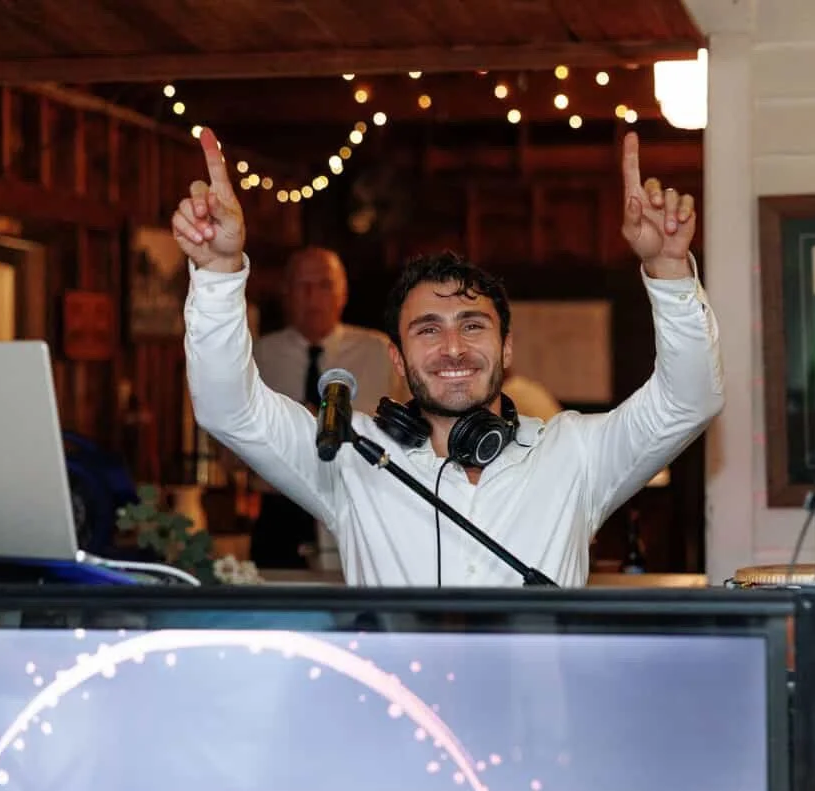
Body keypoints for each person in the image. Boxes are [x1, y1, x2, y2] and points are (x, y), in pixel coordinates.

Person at [174, 127, 722, 587]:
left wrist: (670, 271)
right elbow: (230, 409)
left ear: (507, 347)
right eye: (428, 330)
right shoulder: (349, 456)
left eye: (473, 325)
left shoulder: (574, 453)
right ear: (397, 357)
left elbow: (687, 401)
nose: (453, 347)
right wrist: (220, 274)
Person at [246, 246, 405, 569]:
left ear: (343, 293)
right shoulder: (260, 355)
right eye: (303, 286)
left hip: (360, 499)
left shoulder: (378, 352)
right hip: (281, 507)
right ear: (286, 293)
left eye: (324, 285)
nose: (313, 297)